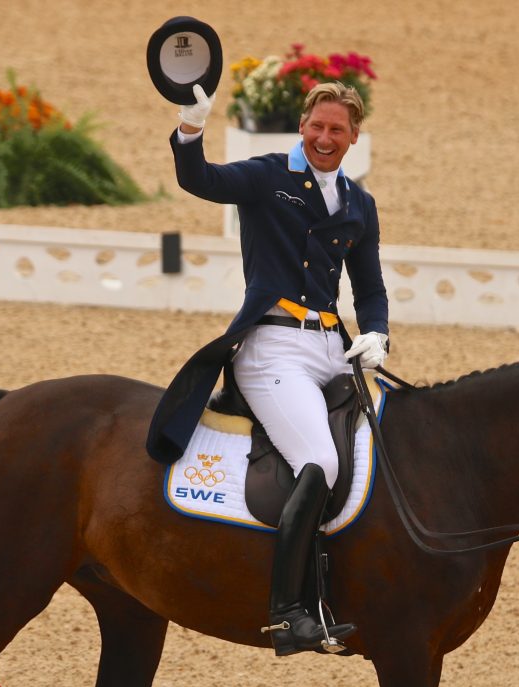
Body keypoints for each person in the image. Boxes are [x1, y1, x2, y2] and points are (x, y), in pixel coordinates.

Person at [146, 80, 389, 657]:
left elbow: (371, 286)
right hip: (272, 347)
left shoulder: (360, 204)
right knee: (321, 460)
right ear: (302, 126)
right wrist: (191, 128)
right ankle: (288, 612)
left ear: (354, 138)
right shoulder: (267, 176)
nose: (324, 137)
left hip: (332, 348)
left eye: (337, 130)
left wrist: (377, 331)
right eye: (317, 126)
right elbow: (199, 180)